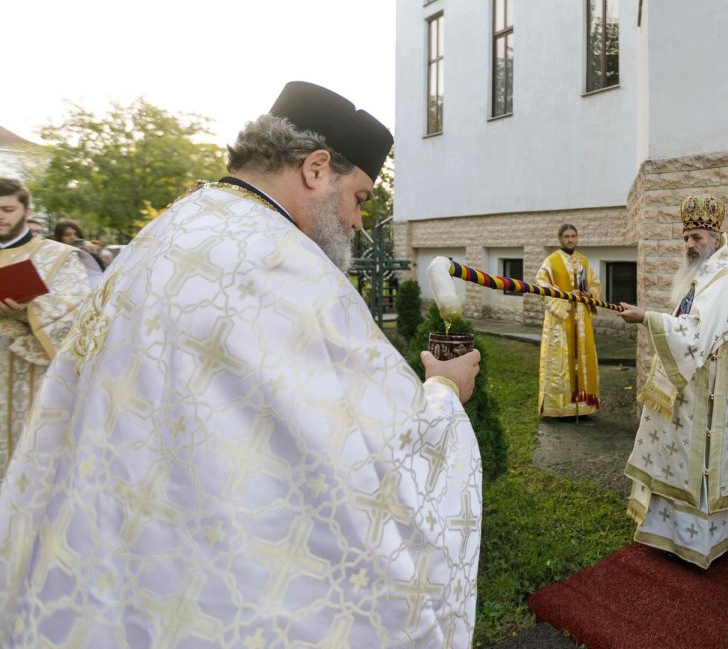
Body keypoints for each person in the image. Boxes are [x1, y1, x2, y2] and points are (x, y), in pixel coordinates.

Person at [0, 82, 485, 647]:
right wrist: (444, 393)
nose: (358, 222)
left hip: (110, 561)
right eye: (360, 197)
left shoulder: (171, 229)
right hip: (214, 586)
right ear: (316, 168)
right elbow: (372, 449)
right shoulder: (277, 261)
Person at [617, 194, 728, 569]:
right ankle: (668, 537)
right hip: (689, 386)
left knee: (694, 462)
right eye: (686, 238)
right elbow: (686, 323)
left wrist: (647, 317)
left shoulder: (726, 280)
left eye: (696, 237)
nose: (690, 245)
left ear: (716, 236)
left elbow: (695, 335)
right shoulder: (703, 274)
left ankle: (695, 545)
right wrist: (653, 318)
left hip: (706, 394)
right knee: (673, 455)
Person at [0, 178, 93, 479]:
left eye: (7, 209)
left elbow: (77, 308)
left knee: (27, 460)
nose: (1, 216)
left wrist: (28, 310)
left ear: (26, 211)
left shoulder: (57, 255)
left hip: (29, 373)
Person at [535, 224, 600, 417]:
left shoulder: (584, 261)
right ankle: (561, 408)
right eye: (566, 236)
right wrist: (565, 296)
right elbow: (542, 285)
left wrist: (590, 293)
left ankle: (583, 406)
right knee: (561, 362)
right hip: (560, 322)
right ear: (560, 239)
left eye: (573, 236)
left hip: (581, 319)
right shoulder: (551, 261)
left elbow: (595, 283)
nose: (570, 240)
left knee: (583, 357)